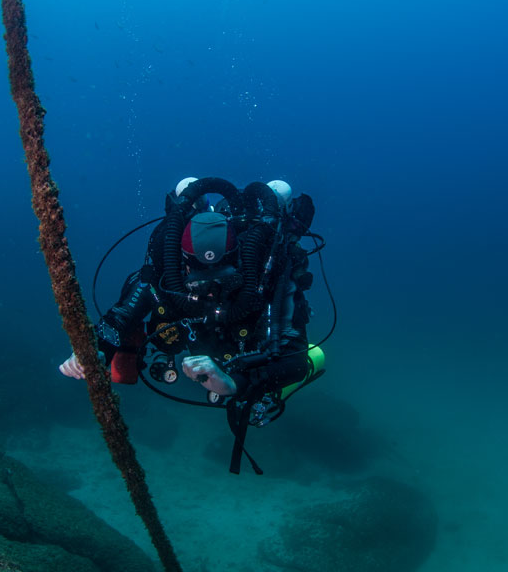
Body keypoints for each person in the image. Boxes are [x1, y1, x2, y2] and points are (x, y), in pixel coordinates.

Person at [60, 177, 323, 473]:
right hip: (189, 342)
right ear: (183, 264)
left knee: (314, 356)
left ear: (240, 260)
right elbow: (120, 317)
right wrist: (94, 350)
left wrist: (234, 383)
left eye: (224, 280)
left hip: (241, 351)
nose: (211, 293)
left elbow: (295, 360)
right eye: (199, 282)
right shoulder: (163, 274)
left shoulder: (264, 277)